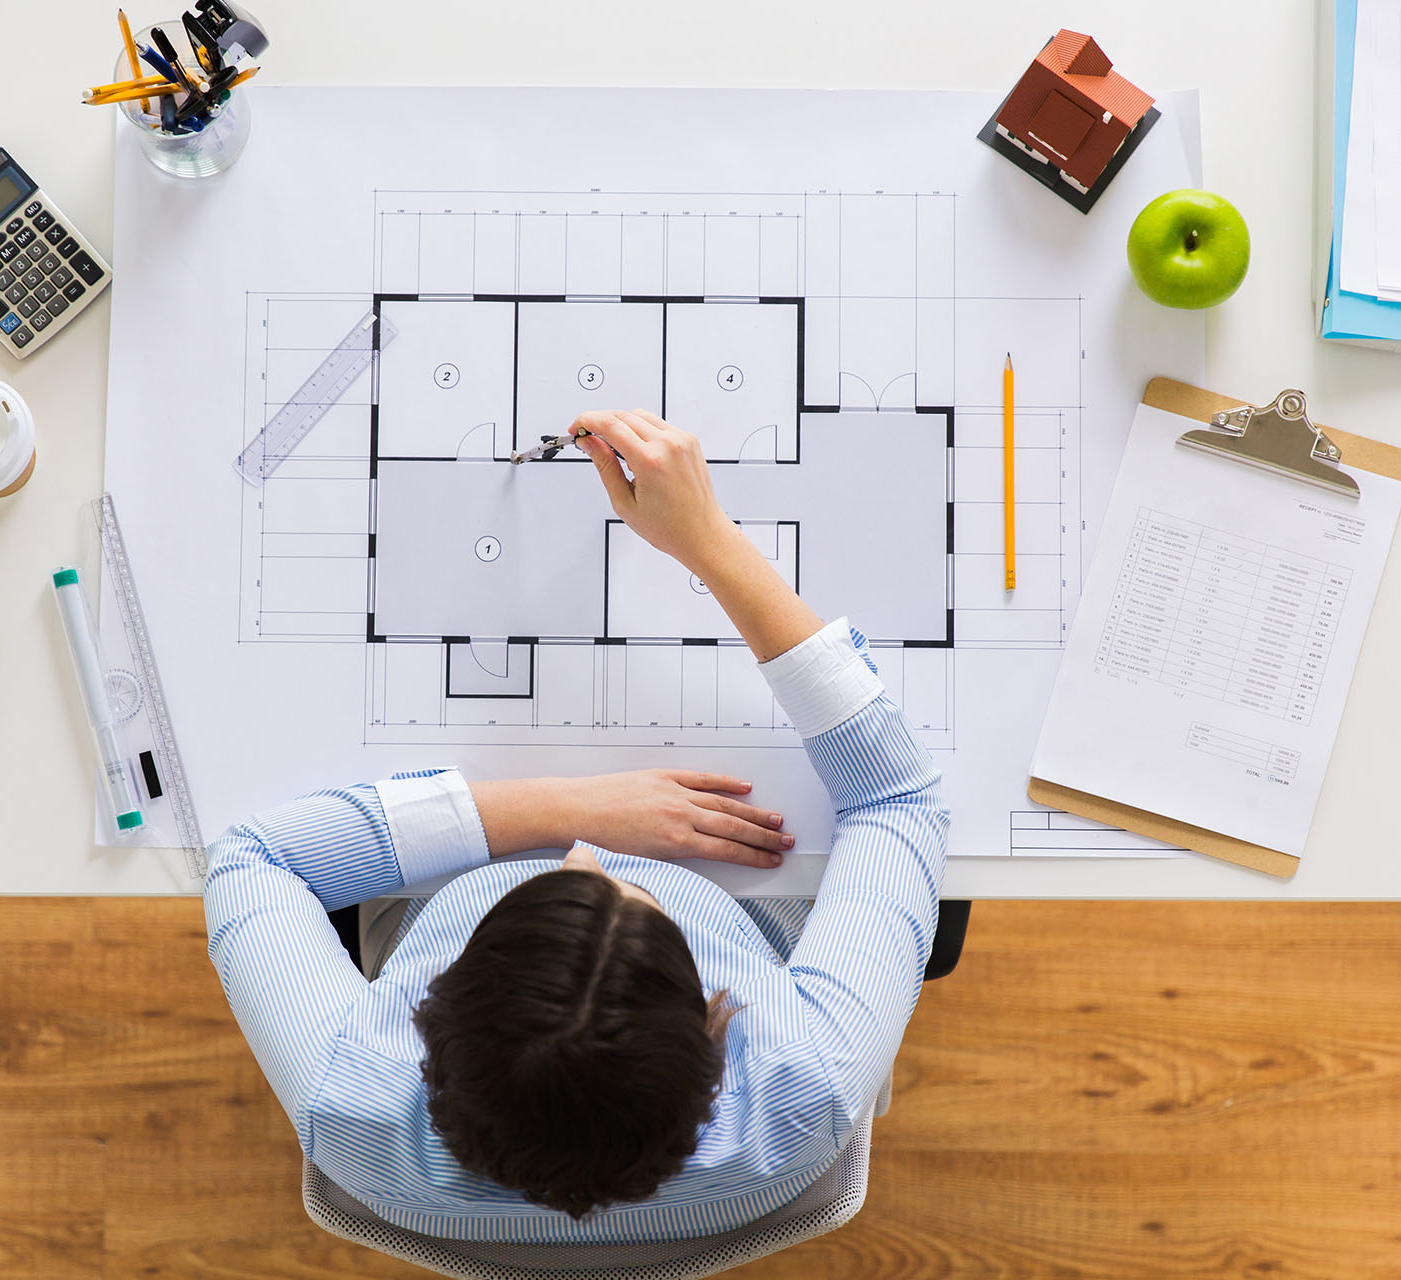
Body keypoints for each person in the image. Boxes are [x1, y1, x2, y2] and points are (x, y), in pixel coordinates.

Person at [205, 408, 950, 1244]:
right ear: (717, 1026)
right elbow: (897, 799)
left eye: (560, 873)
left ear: (428, 1010)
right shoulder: (806, 1086)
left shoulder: (350, 1102)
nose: (588, 854)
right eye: (635, 895)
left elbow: (253, 860)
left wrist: (565, 807)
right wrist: (707, 540)